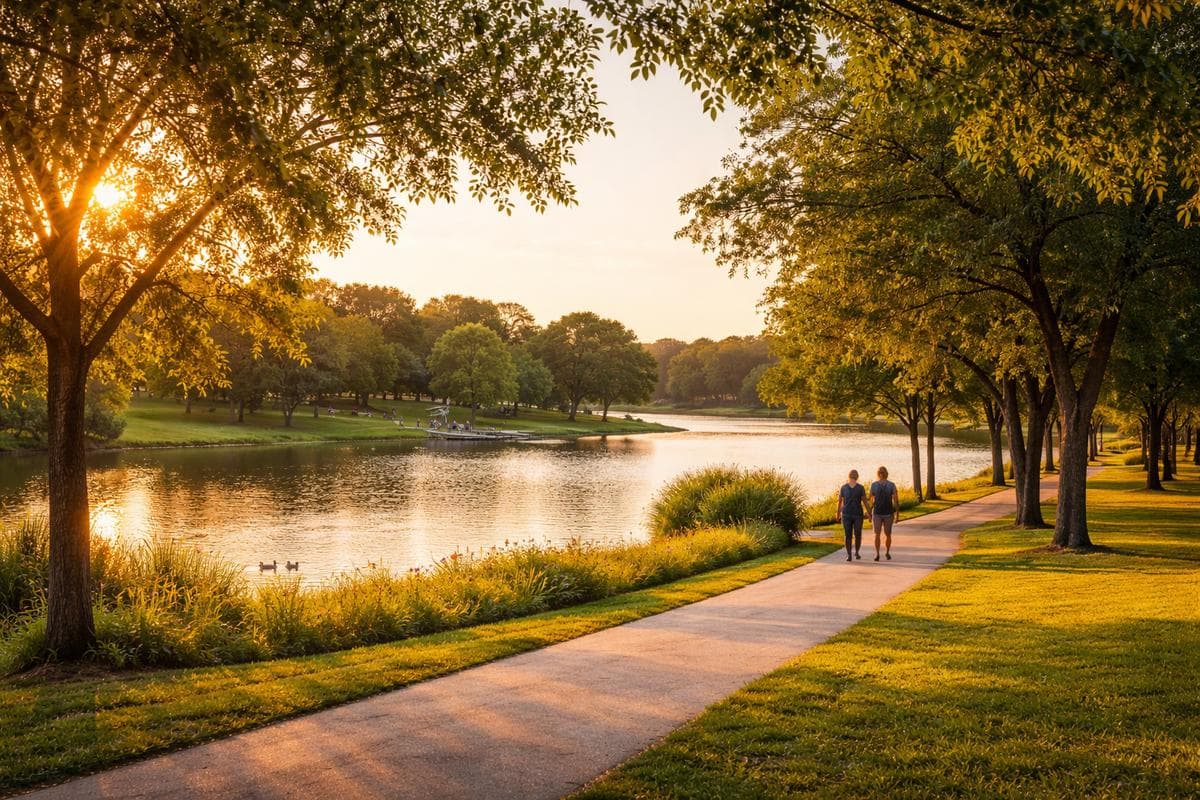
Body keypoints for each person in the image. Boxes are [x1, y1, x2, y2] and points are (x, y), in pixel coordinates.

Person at [868, 466, 900, 561]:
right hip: (877, 513)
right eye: (880, 472)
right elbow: (871, 500)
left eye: (882, 472)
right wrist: (869, 513)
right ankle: (877, 554)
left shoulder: (891, 485)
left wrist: (897, 515)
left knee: (887, 534)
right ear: (879, 474)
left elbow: (896, 501)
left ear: (885, 474)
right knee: (878, 534)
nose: (881, 474)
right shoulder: (874, 485)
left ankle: (887, 552)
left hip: (887, 513)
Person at [836, 469, 866, 562]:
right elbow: (865, 502)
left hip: (846, 514)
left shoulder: (843, 487)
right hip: (857, 515)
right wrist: (869, 513)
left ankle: (849, 555)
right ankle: (856, 552)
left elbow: (839, 503)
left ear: (849, 476)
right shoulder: (860, 487)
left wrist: (837, 514)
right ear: (857, 477)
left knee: (847, 535)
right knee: (858, 534)